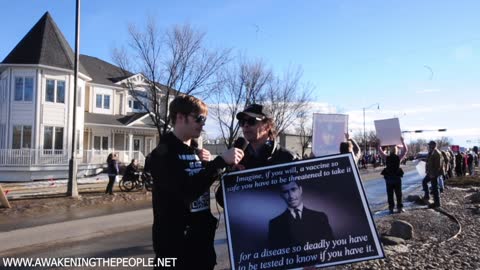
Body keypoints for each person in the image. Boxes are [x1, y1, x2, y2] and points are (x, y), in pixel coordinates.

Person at [149, 95, 243, 270]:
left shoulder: (195, 153)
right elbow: (185, 191)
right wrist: (219, 162)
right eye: (198, 118)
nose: (203, 123)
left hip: (201, 247)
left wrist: (215, 167)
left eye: (205, 119)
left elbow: (201, 184)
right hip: (176, 251)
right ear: (179, 117)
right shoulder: (162, 155)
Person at [215, 103, 298, 206]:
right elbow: (223, 201)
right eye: (242, 122)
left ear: (268, 126)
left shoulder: (289, 158)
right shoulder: (238, 158)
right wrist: (232, 177)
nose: (246, 125)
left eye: (251, 121)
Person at [268, 181, 334, 249]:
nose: (291, 196)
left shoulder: (320, 217)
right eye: (285, 192)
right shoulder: (274, 224)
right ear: (281, 195)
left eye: (293, 189)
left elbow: (331, 247)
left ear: (300, 190)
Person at [378, 137, 408, 214]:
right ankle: (399, 208)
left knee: (390, 194)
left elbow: (380, 150)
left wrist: (380, 143)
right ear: (396, 150)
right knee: (398, 194)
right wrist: (402, 141)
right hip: (397, 178)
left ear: (390, 150)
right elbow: (405, 150)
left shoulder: (386, 158)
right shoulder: (398, 157)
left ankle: (391, 208)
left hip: (389, 178)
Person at [422, 141, 444, 208]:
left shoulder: (437, 153)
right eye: (429, 145)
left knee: (435, 188)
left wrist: (434, 174)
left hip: (434, 173)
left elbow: (438, 165)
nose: (429, 146)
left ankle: (437, 204)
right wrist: (427, 169)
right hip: (430, 172)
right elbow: (428, 161)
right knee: (424, 182)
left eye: (430, 145)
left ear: (433, 145)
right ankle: (427, 195)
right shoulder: (431, 152)